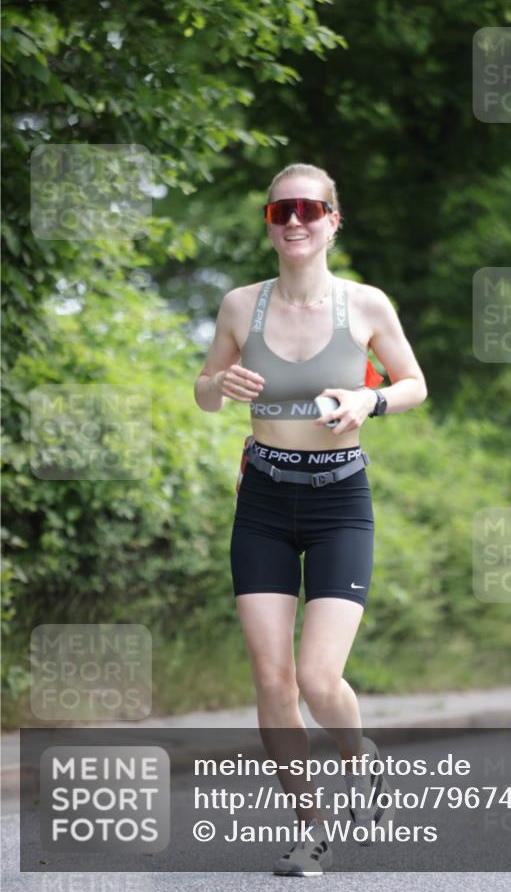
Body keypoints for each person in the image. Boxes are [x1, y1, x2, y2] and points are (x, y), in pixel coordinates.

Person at [194, 163, 427, 875]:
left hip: (338, 502)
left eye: (308, 209)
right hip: (263, 501)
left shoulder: (365, 305)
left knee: (319, 679)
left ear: (332, 221)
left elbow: (414, 384)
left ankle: (360, 759)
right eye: (280, 211)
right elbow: (204, 393)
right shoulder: (240, 306)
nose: (294, 220)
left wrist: (369, 401)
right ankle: (309, 828)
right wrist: (219, 382)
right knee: (273, 682)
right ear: (269, 224)